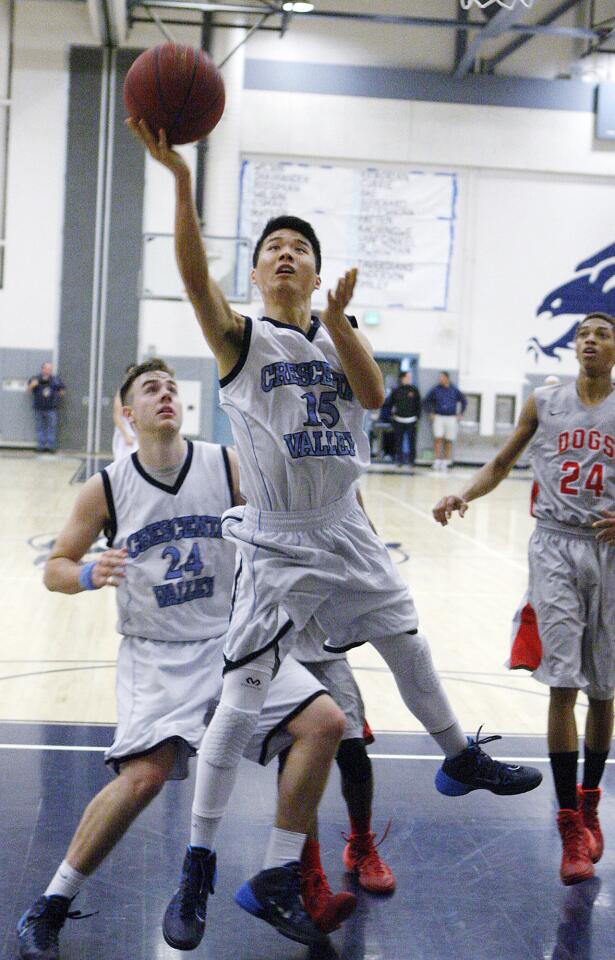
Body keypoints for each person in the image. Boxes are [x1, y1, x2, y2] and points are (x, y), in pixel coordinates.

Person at [128, 119, 541, 947]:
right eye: (272, 247)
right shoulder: (241, 341)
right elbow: (192, 275)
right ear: (255, 271)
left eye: (299, 249)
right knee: (240, 710)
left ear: (315, 274)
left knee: (410, 644)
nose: (285, 254)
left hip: (344, 529)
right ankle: (199, 868)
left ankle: (458, 756)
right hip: (279, 543)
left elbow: (374, 394)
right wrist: (178, 180)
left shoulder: (330, 334)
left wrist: (344, 318)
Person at [16, 358, 349, 960]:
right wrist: (91, 571)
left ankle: (277, 875)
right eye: (150, 388)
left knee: (324, 723)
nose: (164, 395)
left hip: (230, 641)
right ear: (128, 413)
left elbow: (284, 512)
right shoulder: (107, 487)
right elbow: (54, 569)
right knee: (144, 775)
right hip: (157, 655)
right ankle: (50, 905)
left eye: (171, 387)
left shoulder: (225, 464)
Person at [432, 312, 615, 887]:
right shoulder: (546, 401)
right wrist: (463, 492)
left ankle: (589, 802)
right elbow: (502, 461)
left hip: (608, 551)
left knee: (605, 691)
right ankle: (567, 826)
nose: (590, 339)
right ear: (573, 345)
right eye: (584, 332)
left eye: (603, 333)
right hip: (556, 547)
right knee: (564, 684)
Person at [423, 371, 466, 470]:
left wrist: (461, 413)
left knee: (448, 440)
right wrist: (430, 412)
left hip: (451, 417)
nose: (440, 379)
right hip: (439, 416)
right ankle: (437, 460)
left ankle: (446, 461)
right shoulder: (436, 389)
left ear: (447, 378)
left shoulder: (454, 390)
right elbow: (426, 401)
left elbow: (464, 401)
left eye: (442, 377)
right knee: (438, 438)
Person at [27, 361, 65, 453]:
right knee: (40, 427)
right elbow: (28, 390)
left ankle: (51, 447)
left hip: (51, 408)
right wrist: (33, 385)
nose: (48, 371)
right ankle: (41, 447)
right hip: (39, 408)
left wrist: (58, 392)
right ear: (42, 369)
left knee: (51, 428)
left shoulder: (55, 379)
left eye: (50, 369)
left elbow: (62, 392)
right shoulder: (35, 378)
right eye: (47, 368)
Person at [388, 370, 421, 470]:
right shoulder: (396, 390)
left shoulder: (414, 390)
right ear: (402, 378)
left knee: (412, 441)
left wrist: (417, 417)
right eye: (407, 377)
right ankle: (399, 460)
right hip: (398, 420)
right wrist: (392, 415)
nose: (409, 379)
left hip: (411, 420)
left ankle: (411, 461)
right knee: (398, 441)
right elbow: (390, 403)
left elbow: (419, 405)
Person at [112, 364, 139, 460]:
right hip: (125, 434)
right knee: (122, 464)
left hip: (137, 434)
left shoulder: (141, 392)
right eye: (130, 373)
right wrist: (126, 434)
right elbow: (117, 416)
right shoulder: (122, 392)